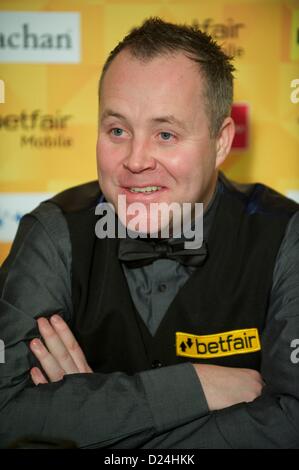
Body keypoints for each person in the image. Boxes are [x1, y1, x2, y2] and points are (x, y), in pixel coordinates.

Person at [0, 17, 299, 449]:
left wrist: (92, 419)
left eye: (165, 134)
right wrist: (193, 387)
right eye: (118, 131)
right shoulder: (54, 232)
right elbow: (7, 412)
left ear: (220, 141)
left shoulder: (284, 235)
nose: (136, 160)